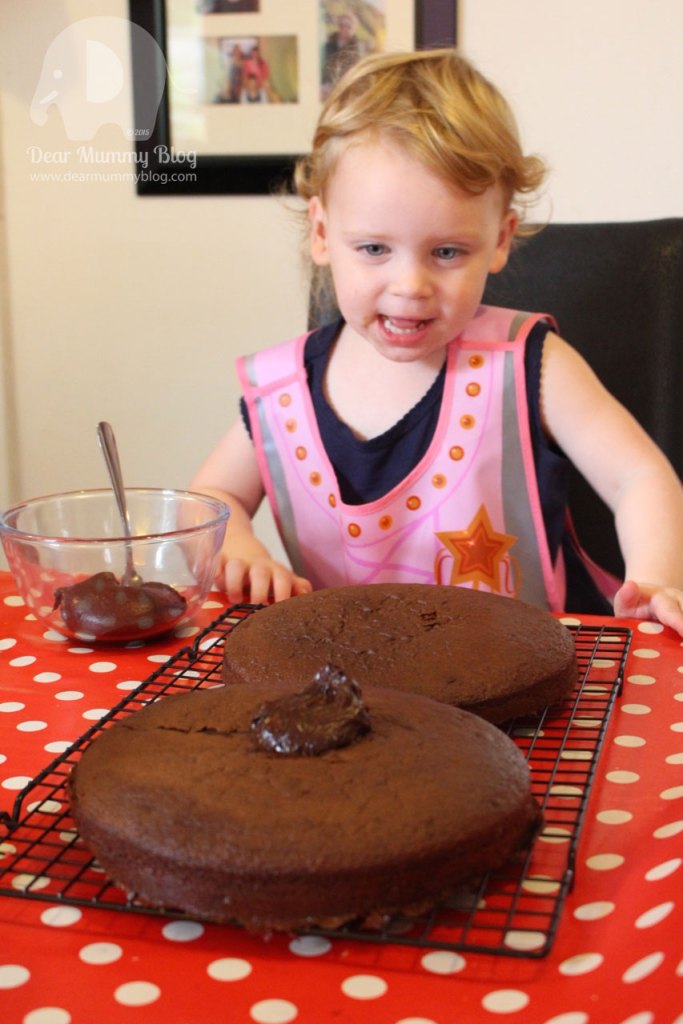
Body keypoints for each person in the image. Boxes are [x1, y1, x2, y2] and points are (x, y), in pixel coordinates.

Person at [191, 49, 683, 635]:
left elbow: (639, 477)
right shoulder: (281, 394)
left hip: (523, 689)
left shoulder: (531, 365)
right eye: (374, 249)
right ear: (323, 234)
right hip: (348, 695)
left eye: (447, 252)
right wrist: (239, 548)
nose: (411, 286)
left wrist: (655, 578)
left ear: (499, 241)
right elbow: (210, 500)